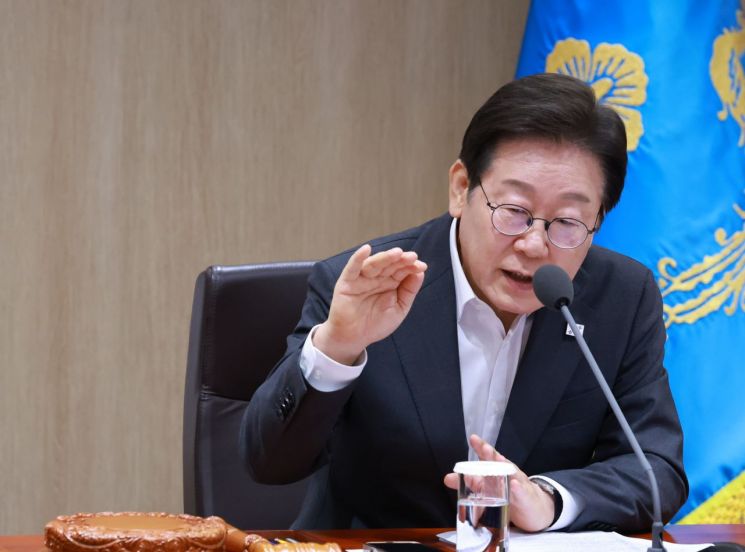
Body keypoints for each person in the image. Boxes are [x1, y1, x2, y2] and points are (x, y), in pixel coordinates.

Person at [239, 73, 688, 532]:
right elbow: (268, 462)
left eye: (568, 222)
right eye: (514, 211)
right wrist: (338, 348)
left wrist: (548, 500)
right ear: (461, 188)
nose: (535, 245)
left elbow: (655, 469)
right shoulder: (366, 287)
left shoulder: (622, 297)